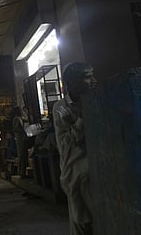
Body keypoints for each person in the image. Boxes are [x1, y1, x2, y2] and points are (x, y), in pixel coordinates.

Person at [53, 62, 96, 235]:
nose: (93, 80)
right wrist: (83, 117)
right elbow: (67, 143)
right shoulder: (61, 108)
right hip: (76, 171)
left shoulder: (94, 99)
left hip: (95, 169)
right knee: (82, 221)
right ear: (74, 82)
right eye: (88, 77)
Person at [12, 106, 29, 178]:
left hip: (22, 138)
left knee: (24, 155)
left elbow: (27, 120)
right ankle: (22, 173)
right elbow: (15, 129)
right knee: (22, 155)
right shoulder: (16, 119)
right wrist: (22, 131)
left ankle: (23, 172)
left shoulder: (20, 118)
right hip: (20, 139)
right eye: (20, 110)